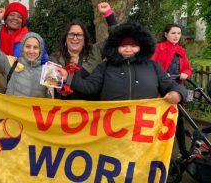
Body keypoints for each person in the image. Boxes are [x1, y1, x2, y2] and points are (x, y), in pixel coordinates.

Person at [58, 22, 187, 104]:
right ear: (116, 47)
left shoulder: (153, 66)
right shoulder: (105, 67)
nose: (128, 49)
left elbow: (172, 85)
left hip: (143, 134)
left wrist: (178, 94)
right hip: (111, 132)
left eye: (133, 45)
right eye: (123, 45)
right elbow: (89, 87)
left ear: (141, 46)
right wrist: (67, 77)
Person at [49, 2, 117, 100]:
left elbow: (115, 39)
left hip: (91, 112)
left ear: (85, 38)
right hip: (64, 112)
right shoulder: (55, 58)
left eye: (79, 35)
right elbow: (50, 88)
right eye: (71, 34)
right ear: (66, 37)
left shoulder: (95, 51)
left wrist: (108, 14)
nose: (75, 38)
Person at [0, 8, 50, 98]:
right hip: (10, 111)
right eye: (28, 46)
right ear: (22, 48)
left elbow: (51, 99)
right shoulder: (12, 64)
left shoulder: (47, 72)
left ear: (40, 50)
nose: (31, 51)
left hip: (34, 112)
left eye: (35, 48)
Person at [151, 24, 193, 158]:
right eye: (173, 33)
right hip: (159, 90)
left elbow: (187, 68)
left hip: (176, 90)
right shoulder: (158, 48)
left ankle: (183, 150)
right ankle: (153, 151)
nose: (176, 36)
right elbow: (151, 65)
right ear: (166, 34)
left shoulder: (181, 51)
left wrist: (185, 73)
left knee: (178, 121)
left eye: (179, 33)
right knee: (157, 121)